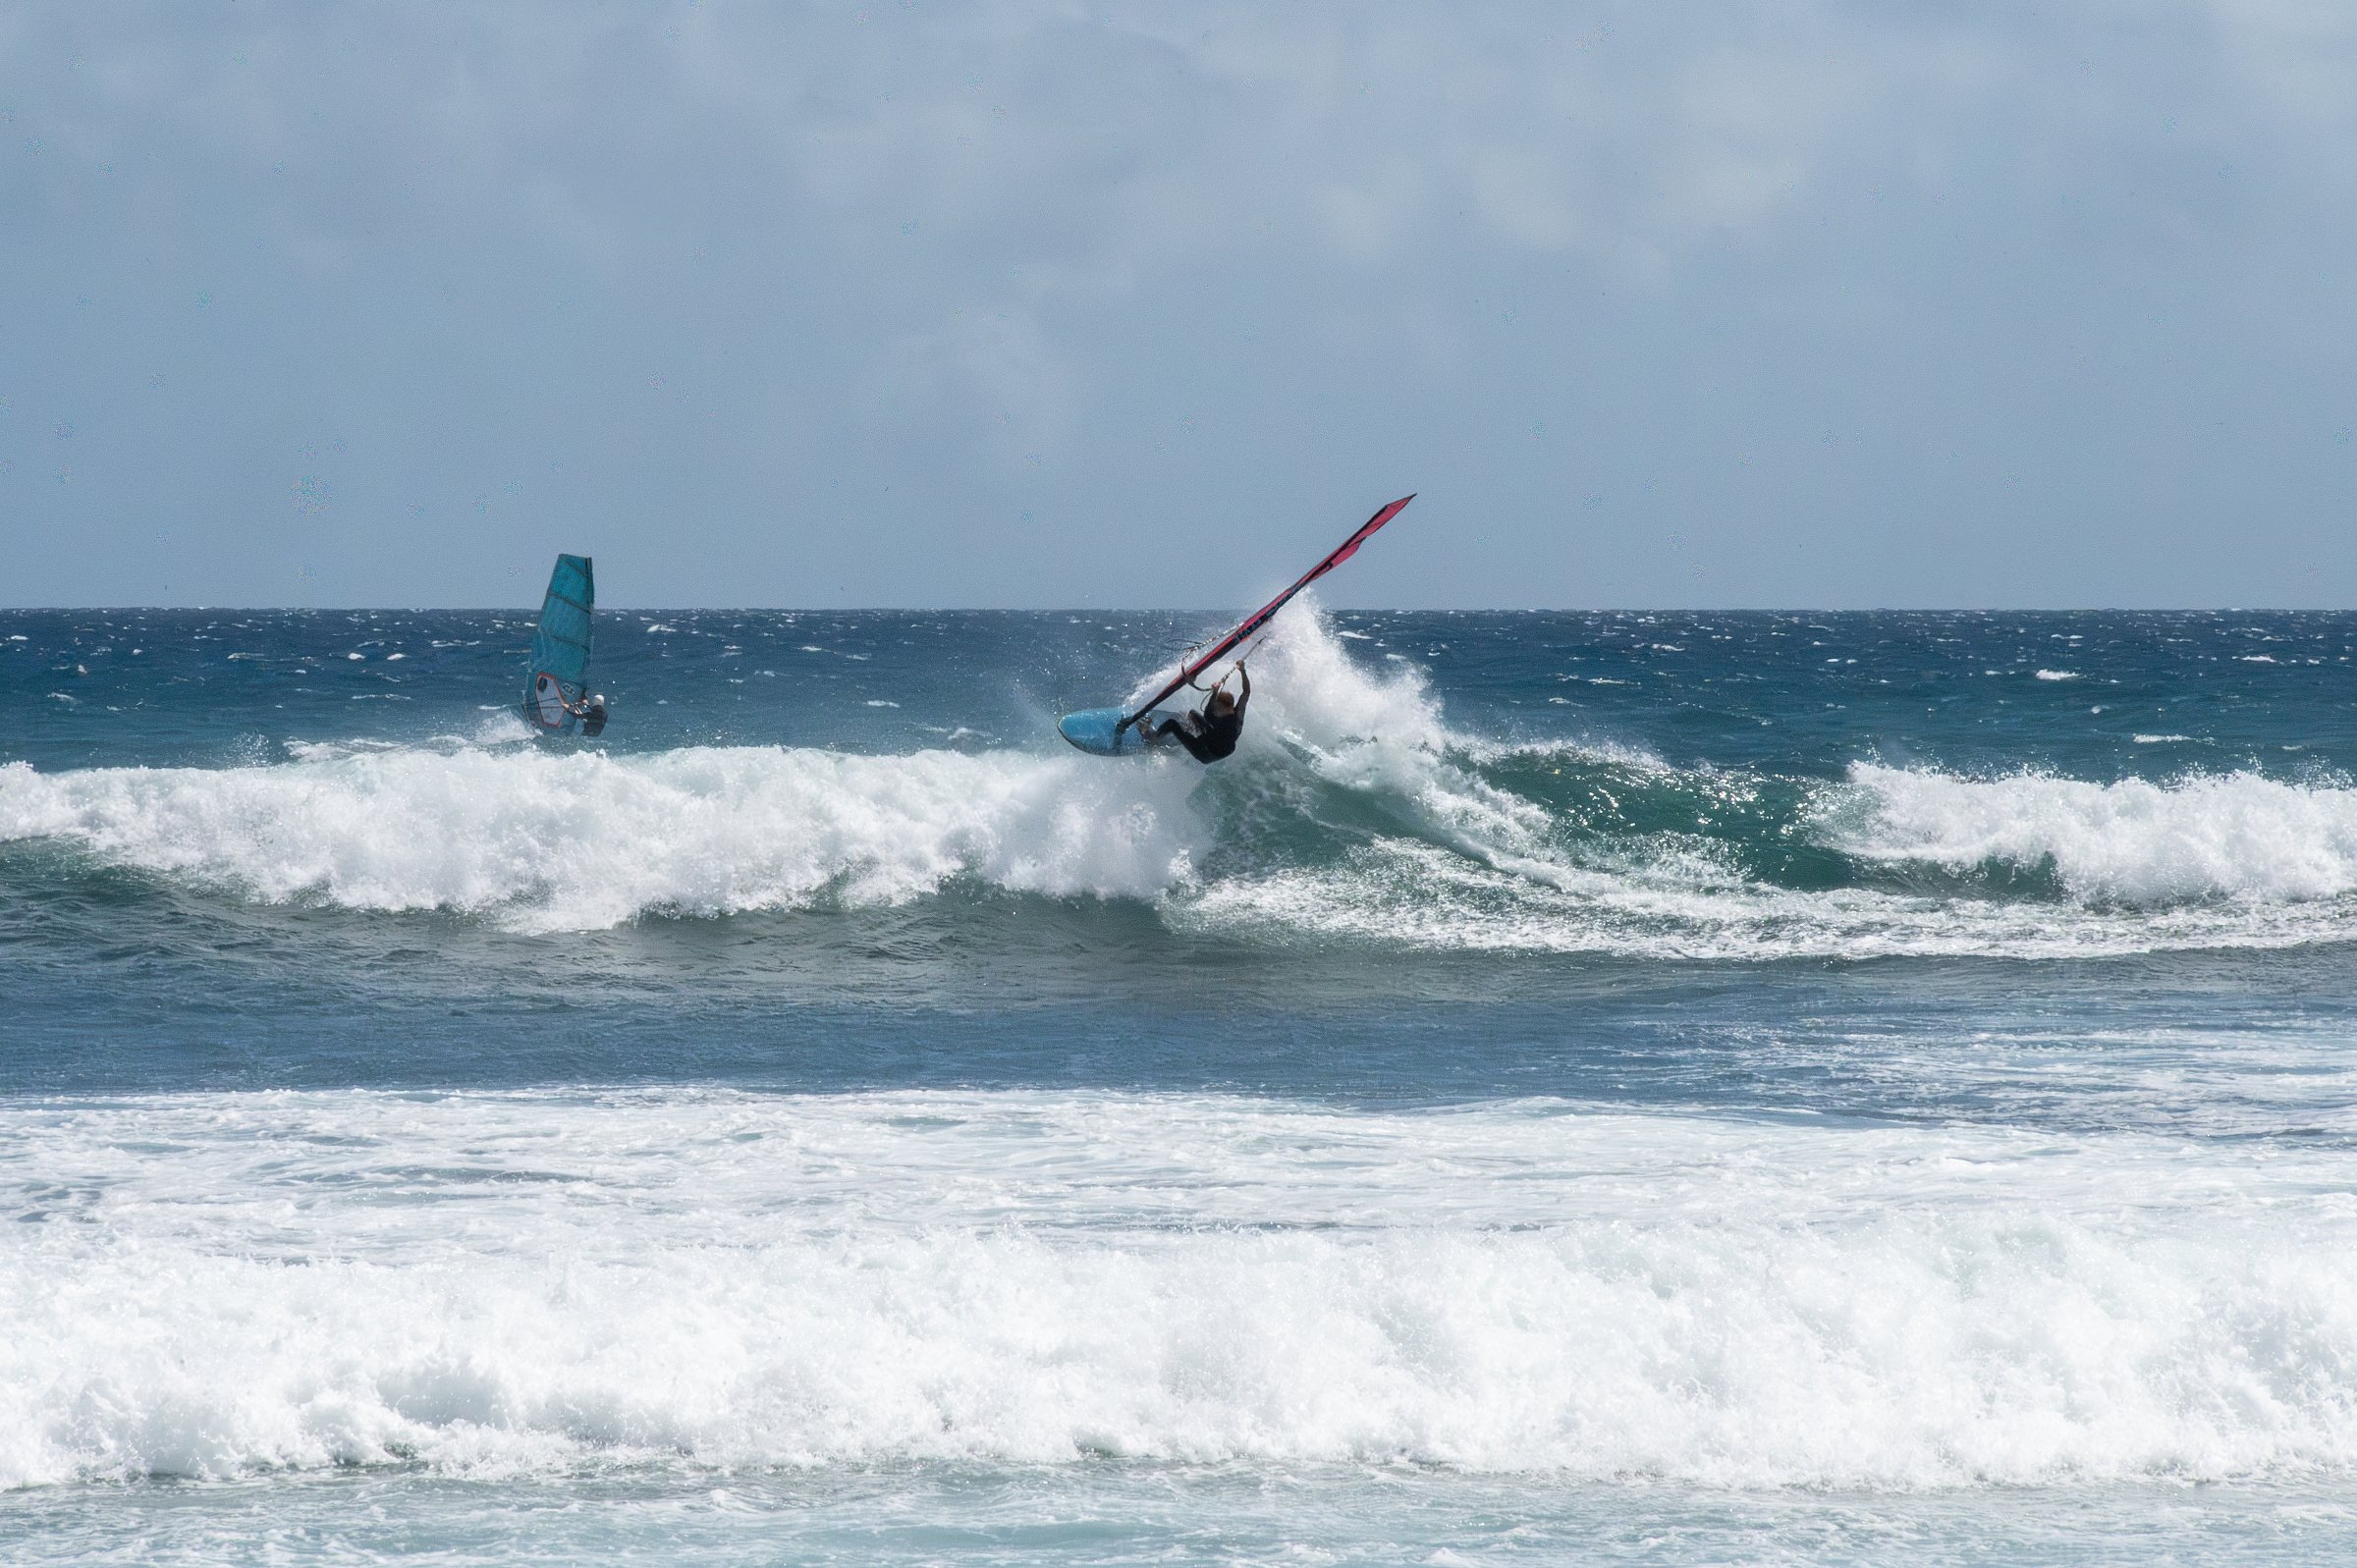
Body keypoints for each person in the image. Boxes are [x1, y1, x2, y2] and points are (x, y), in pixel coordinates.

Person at [1140, 664, 1249, 763]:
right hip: (1214, 741)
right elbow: (1246, 692)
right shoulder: (1221, 713)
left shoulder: (1235, 717)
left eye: (1217, 708)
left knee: (1172, 724)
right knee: (1193, 714)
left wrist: (1242, 672)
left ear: (1227, 707)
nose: (1215, 710)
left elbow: (1246, 692)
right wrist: (1242, 670)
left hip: (1205, 753)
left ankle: (1153, 739)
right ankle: (1188, 729)